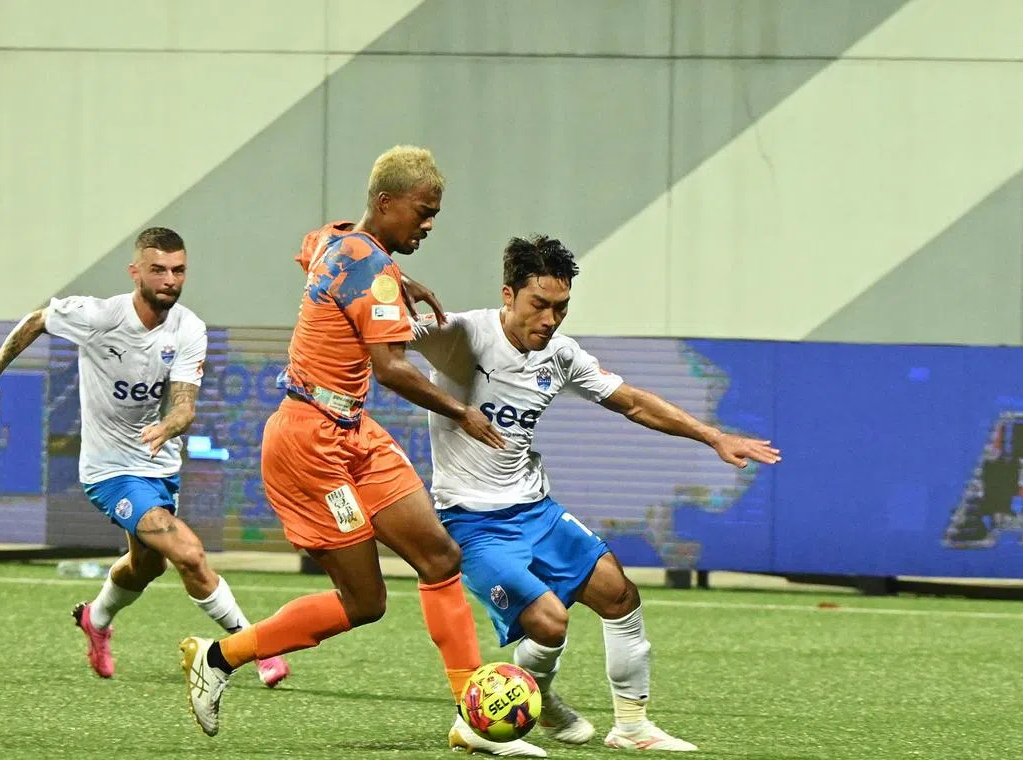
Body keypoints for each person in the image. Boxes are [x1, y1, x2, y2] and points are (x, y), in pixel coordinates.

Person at [178, 147, 546, 757]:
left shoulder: (339, 239)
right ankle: (219, 657)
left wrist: (400, 279)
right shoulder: (371, 268)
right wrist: (462, 411)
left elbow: (321, 251)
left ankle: (471, 719)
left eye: (435, 213)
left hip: (354, 432)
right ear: (385, 202)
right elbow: (392, 368)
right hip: (309, 445)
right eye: (423, 212)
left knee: (440, 557)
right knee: (365, 602)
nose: (430, 224)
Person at [409, 234, 783, 752]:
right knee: (550, 623)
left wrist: (712, 435)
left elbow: (633, 403)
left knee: (619, 595)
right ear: (508, 295)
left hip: (535, 509)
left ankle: (631, 728)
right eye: (539, 304)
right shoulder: (461, 336)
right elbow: (380, 342)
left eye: (561, 307)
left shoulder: (560, 355)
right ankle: (528, 702)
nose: (550, 319)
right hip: (473, 521)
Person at [0, 226, 289, 686]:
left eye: (178, 270)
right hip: (110, 471)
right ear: (135, 271)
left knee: (147, 565)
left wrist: (169, 426)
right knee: (188, 554)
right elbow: (37, 320)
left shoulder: (189, 329)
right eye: (158, 270)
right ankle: (255, 648)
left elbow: (184, 405)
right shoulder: (99, 316)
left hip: (160, 465)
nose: (170, 280)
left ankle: (96, 620)